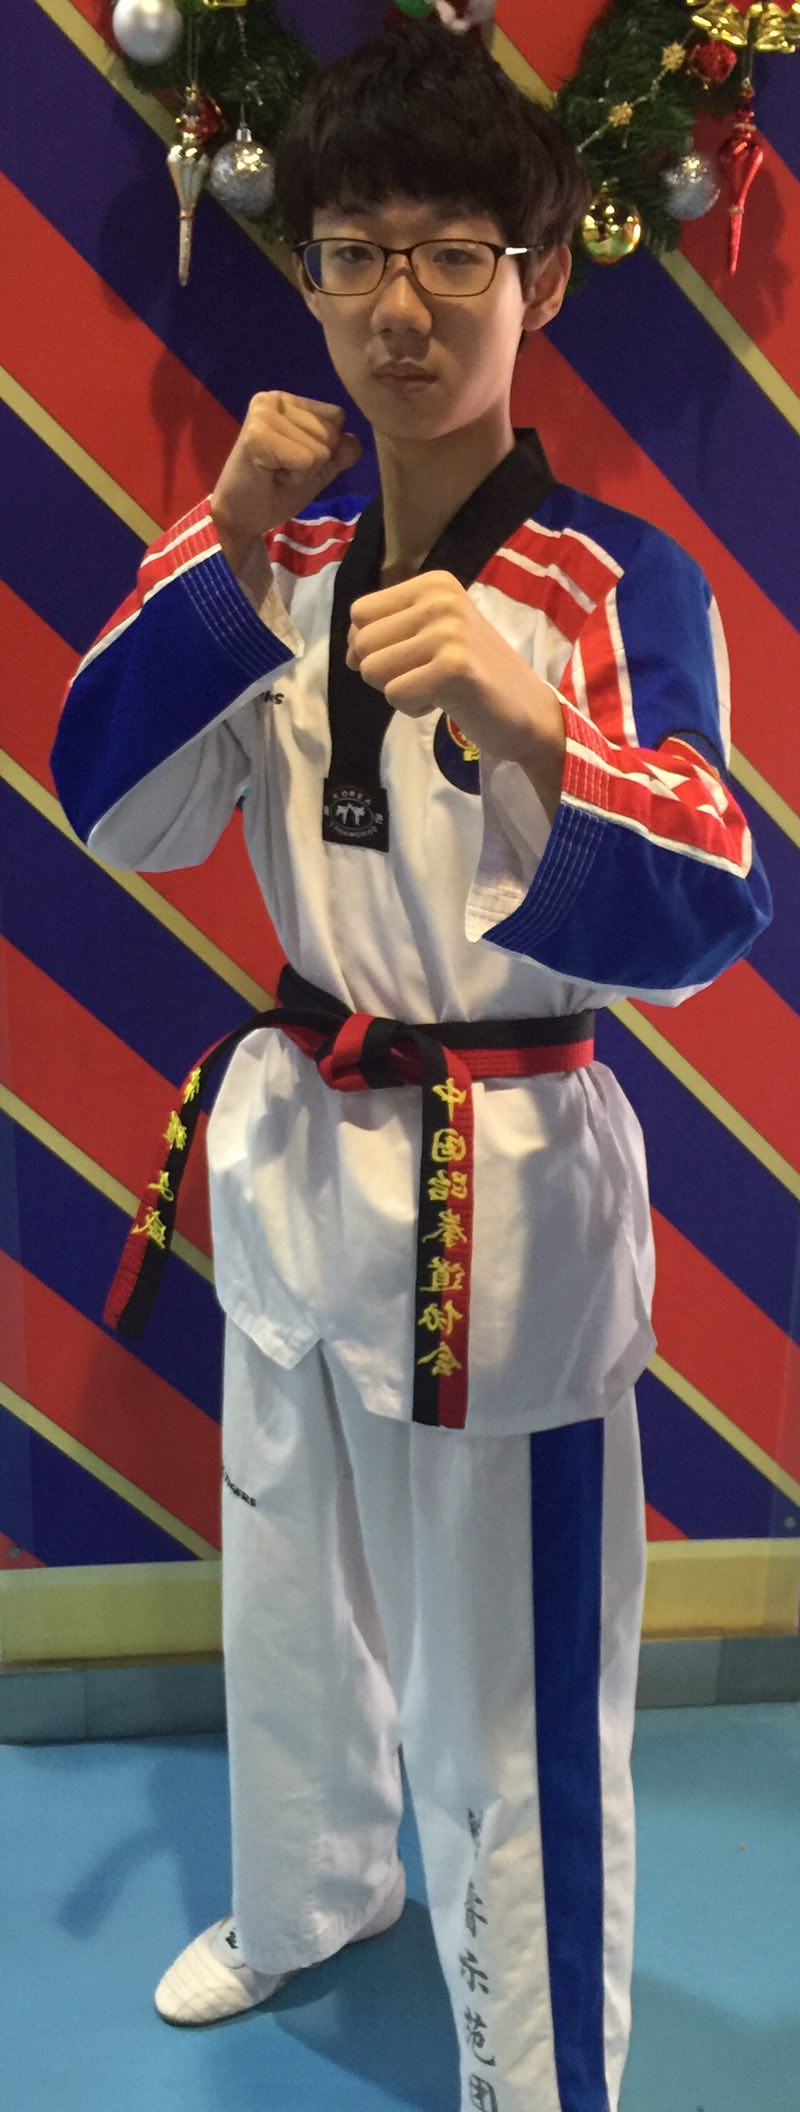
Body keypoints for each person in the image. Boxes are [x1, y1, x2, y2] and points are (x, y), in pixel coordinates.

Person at [50, 21, 772, 2111]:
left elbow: (715, 896)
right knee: (288, 1593)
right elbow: (119, 804)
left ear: (535, 279)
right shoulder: (279, 556)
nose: (401, 303)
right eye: (357, 253)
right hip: (302, 1145)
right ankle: (315, 1896)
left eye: (455, 255)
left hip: (505, 1181)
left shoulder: (613, 584)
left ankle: (538, 2072)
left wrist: (533, 725)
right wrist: (219, 529)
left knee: (513, 1691)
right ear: (310, 283)